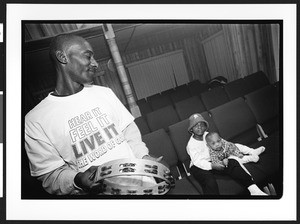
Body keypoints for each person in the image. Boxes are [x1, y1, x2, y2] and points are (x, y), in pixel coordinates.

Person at [25, 34, 161, 195]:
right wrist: (77, 179)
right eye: (88, 56)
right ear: (62, 57)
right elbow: (50, 177)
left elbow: (130, 134)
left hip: (144, 184)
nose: (95, 63)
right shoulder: (35, 120)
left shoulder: (105, 93)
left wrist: (144, 157)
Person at [186, 113, 267, 196]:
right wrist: (213, 166)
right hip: (198, 166)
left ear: (205, 126)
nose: (200, 127)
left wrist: (224, 156)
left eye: (202, 125)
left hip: (214, 158)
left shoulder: (208, 135)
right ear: (191, 129)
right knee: (209, 181)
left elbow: (223, 143)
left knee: (233, 163)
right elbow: (198, 162)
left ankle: (254, 190)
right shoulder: (191, 145)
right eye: (196, 125)